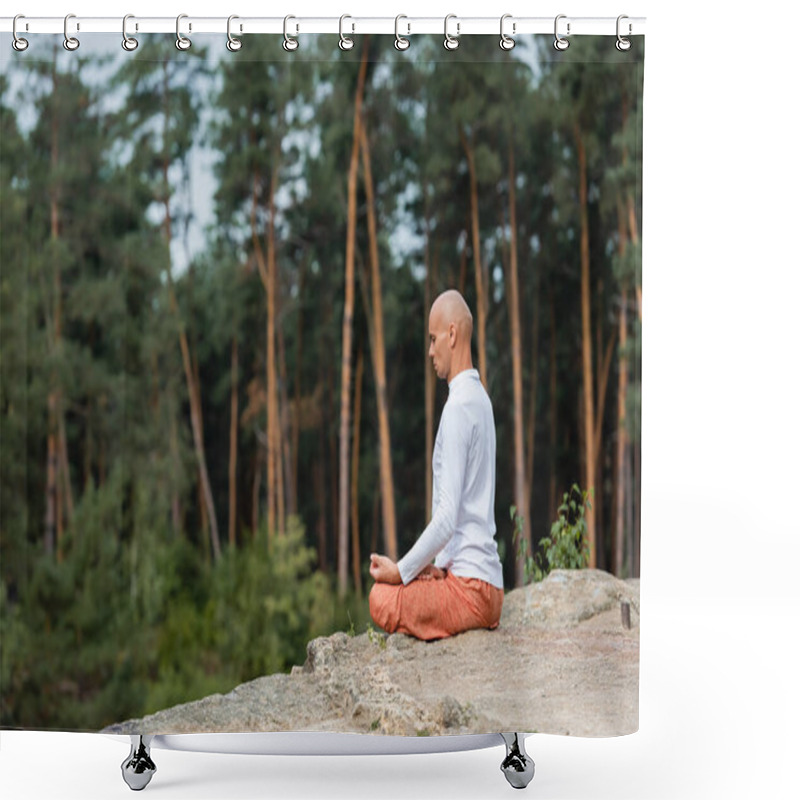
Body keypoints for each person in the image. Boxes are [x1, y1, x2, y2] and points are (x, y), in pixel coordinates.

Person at [368, 289, 504, 641]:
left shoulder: (459, 407)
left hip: (472, 589)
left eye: (433, 339)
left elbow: (446, 519)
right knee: (399, 589)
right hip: (483, 581)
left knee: (380, 597)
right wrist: (437, 567)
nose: (430, 351)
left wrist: (401, 571)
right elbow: (463, 512)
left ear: (453, 334)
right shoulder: (481, 400)